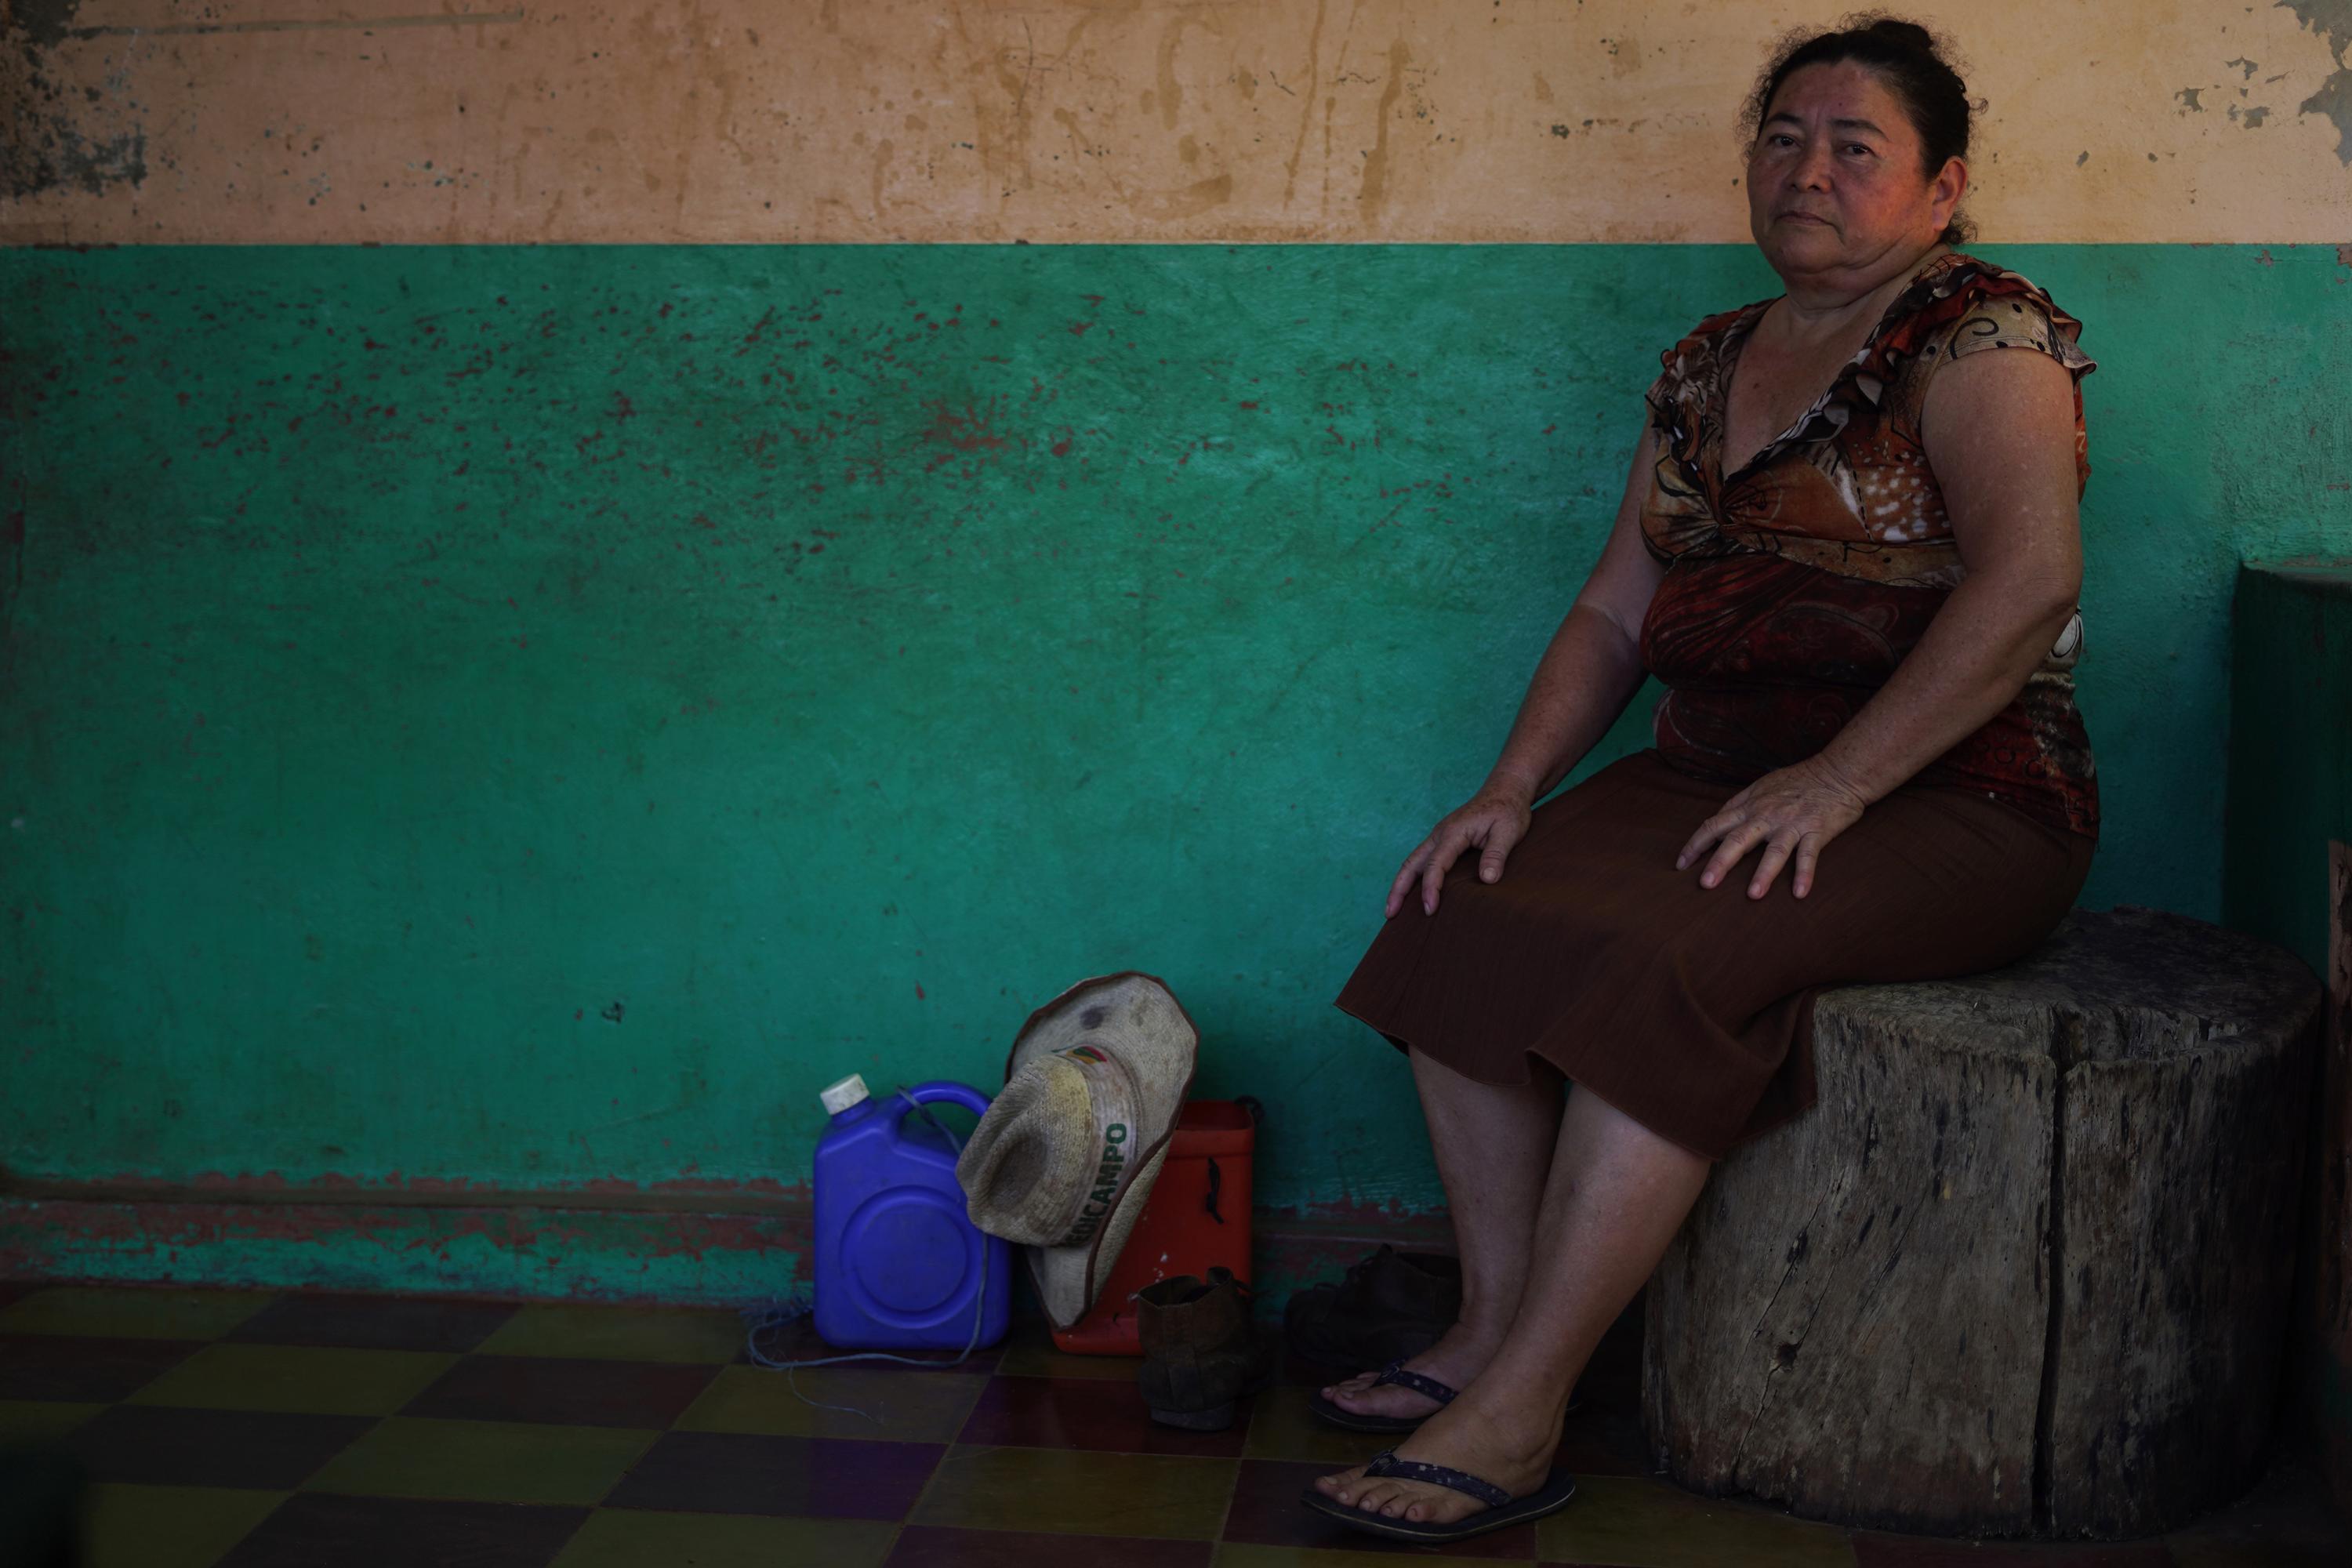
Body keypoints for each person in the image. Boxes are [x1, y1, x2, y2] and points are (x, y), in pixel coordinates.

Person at [1304, 16, 2100, 1544]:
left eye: (1855, 146)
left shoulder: (1980, 338)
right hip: (1722, 768)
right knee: (1462, 907)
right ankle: (1484, 1324)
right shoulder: (1707, 363)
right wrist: (1510, 787)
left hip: (1966, 795)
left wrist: (1841, 781)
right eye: (1784, 137)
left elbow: (2023, 590)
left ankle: (1527, 1402)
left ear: (1941, 192)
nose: (1808, 169)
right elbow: (1615, 610)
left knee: (1670, 963)